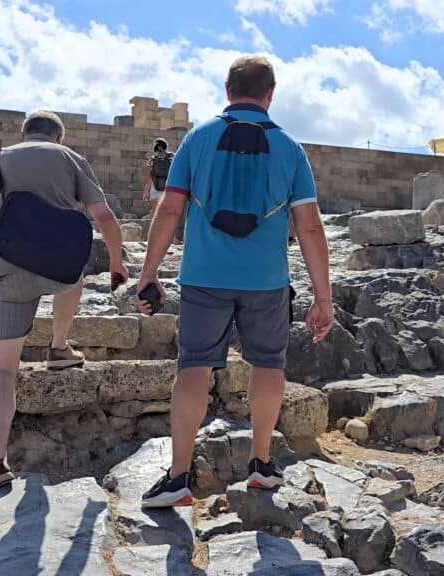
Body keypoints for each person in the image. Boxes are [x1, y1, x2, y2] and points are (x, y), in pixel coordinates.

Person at [136, 55, 336, 508]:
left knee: (193, 368)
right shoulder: (289, 148)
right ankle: (262, 465)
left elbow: (170, 210)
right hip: (266, 280)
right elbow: (309, 225)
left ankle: (178, 476)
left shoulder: (197, 139)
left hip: (204, 277)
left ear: (227, 90)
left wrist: (149, 274)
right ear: (271, 93)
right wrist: (322, 296)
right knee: (268, 366)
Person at [0, 110, 128, 488]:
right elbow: (103, 215)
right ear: (59, 136)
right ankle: (58, 346)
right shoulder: (71, 159)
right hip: (59, 268)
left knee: (4, 370)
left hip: (9, 271)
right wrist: (118, 261)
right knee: (74, 276)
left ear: (23, 134)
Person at [143, 138, 185, 243]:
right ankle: (176, 238)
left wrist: (145, 192)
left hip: (155, 190)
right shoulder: (173, 158)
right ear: (166, 146)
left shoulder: (151, 161)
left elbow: (148, 179)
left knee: (157, 215)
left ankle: (156, 239)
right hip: (169, 189)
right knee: (172, 215)